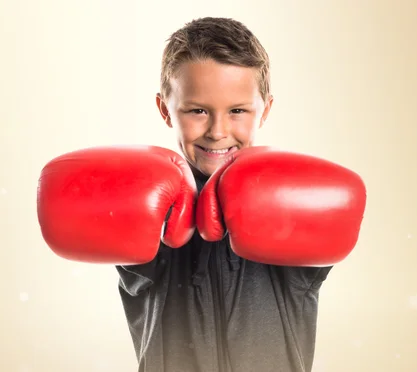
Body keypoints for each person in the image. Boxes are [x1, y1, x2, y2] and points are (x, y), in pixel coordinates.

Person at [36, 17, 366, 372]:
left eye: (238, 110)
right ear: (166, 110)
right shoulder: (148, 200)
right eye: (197, 111)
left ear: (265, 110)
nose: (218, 131)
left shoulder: (289, 199)